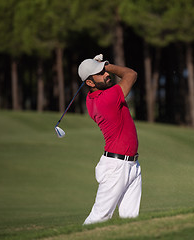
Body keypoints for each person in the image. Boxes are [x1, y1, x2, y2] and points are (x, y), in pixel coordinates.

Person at [78, 54, 141, 225]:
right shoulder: (108, 99)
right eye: (101, 73)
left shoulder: (92, 99)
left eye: (104, 71)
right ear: (90, 83)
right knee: (98, 218)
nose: (106, 74)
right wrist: (107, 64)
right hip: (117, 167)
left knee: (131, 221)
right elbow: (131, 74)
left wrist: (95, 66)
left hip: (131, 164)